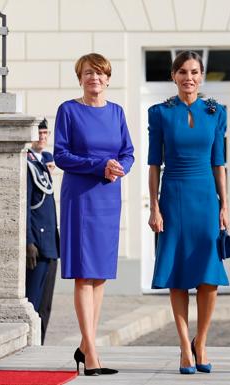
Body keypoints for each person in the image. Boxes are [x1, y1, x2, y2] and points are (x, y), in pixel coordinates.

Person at [147, 50, 230, 375]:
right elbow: (154, 164)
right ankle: (184, 346)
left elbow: (219, 163)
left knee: (209, 278)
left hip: (206, 198)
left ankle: (202, 342)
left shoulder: (216, 112)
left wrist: (224, 205)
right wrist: (154, 206)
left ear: (201, 75)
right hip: (174, 196)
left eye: (194, 71)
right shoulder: (160, 113)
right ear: (174, 76)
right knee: (178, 277)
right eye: (182, 71)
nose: (189, 77)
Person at [54, 53, 135, 376]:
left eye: (100, 74)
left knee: (100, 274)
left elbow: (127, 152)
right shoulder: (68, 110)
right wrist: (99, 165)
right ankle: (92, 353)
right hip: (81, 198)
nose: (95, 79)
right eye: (88, 73)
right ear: (80, 78)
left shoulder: (116, 112)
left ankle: (86, 346)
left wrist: (120, 168)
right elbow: (61, 155)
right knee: (84, 274)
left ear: (108, 78)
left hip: (108, 196)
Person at [26, 118, 58, 345]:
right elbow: (26, 206)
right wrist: (28, 240)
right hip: (37, 243)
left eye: (46, 133)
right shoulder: (27, 165)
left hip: (50, 244)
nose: (42, 137)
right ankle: (29, 343)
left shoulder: (45, 161)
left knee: (45, 305)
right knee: (33, 301)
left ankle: (41, 343)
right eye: (39, 133)